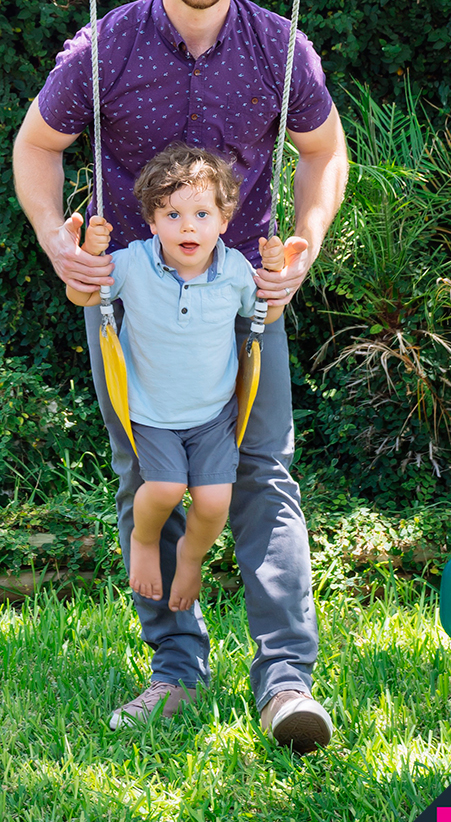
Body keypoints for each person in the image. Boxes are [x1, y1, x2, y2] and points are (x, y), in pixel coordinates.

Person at [13, 0, 348, 753]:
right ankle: (176, 672)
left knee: (262, 476)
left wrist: (304, 245)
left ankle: (286, 683)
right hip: (128, 303)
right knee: (146, 480)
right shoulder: (106, 46)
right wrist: (54, 237)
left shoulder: (281, 47)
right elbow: (38, 145)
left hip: (245, 299)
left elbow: (325, 153)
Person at [65, 145, 303, 614]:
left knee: (215, 501)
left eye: (200, 213)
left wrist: (276, 272)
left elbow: (266, 313)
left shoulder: (235, 269)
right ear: (152, 223)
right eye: (172, 214)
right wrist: (89, 253)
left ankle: (191, 558)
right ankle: (146, 541)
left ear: (224, 221)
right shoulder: (132, 263)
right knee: (166, 489)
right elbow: (82, 295)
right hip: (150, 413)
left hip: (213, 415)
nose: (188, 226)